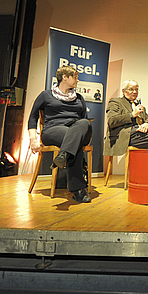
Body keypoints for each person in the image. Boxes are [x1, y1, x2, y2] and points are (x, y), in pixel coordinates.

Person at [28, 65, 92, 203]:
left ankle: (63, 155)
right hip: (53, 130)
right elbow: (32, 117)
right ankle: (78, 190)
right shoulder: (46, 95)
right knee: (75, 141)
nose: (77, 80)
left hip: (76, 129)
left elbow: (83, 119)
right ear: (64, 77)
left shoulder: (79, 97)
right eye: (75, 77)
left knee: (84, 123)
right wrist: (33, 139)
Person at [105, 80, 148, 156]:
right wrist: (132, 115)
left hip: (140, 133)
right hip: (126, 135)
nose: (135, 92)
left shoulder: (137, 104)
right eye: (131, 89)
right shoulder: (116, 102)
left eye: (136, 89)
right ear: (124, 91)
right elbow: (112, 121)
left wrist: (146, 124)